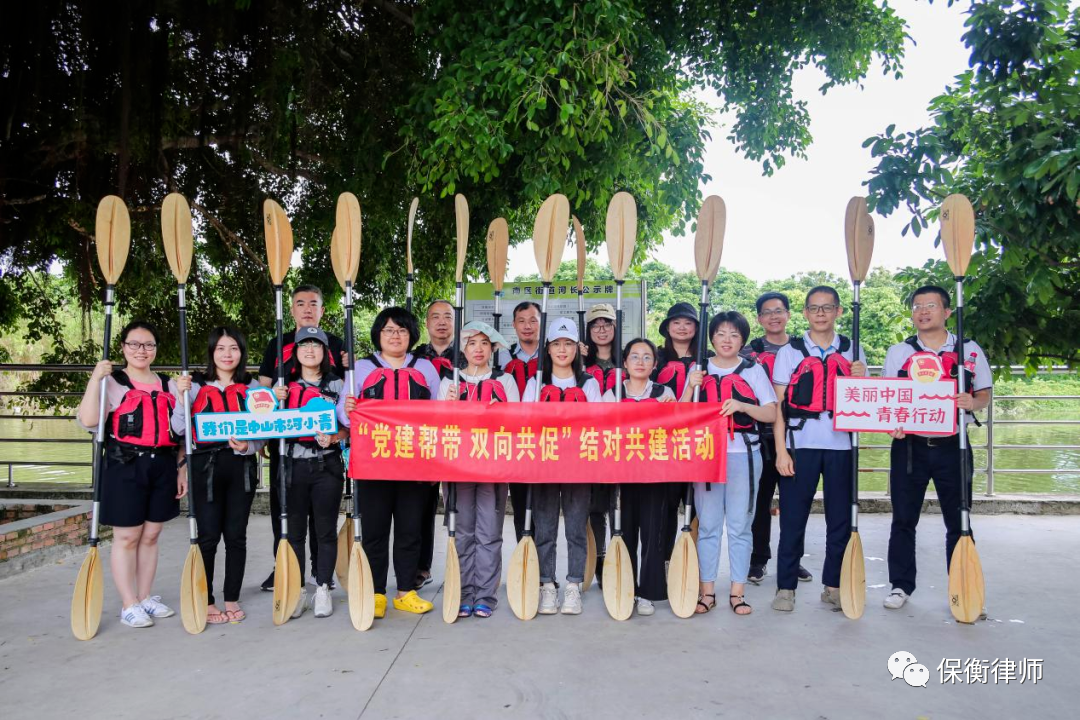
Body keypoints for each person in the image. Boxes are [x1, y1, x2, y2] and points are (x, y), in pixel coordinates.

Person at [881, 285, 993, 610]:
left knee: (959, 521)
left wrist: (972, 401)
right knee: (903, 519)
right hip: (909, 446)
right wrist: (892, 423)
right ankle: (900, 585)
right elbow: (889, 397)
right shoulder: (899, 352)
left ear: (946, 311)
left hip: (953, 446)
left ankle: (963, 588)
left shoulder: (968, 350)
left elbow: (984, 394)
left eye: (930, 305)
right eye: (917, 306)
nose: (923, 311)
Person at [76, 321, 184, 629]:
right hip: (125, 465)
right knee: (127, 537)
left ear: (155, 349)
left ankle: (145, 596)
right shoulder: (112, 382)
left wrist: (182, 468)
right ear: (123, 347)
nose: (141, 350)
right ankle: (128, 604)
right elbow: (88, 420)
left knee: (151, 535)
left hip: (162, 465)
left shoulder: (169, 385)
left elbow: (181, 433)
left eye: (148, 345)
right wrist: (95, 378)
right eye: (134, 344)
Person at [769, 286, 867, 612]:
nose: (821, 313)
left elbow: (865, 401)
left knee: (839, 520)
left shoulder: (853, 349)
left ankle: (833, 585)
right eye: (814, 308)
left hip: (842, 445)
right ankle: (786, 587)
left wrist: (861, 377)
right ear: (805, 313)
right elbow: (779, 407)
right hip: (800, 445)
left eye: (827, 307)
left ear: (839, 311)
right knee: (792, 520)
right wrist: (781, 451)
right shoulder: (790, 352)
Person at [339, 307, 442, 618]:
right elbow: (344, 415)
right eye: (388, 330)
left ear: (411, 335)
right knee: (375, 531)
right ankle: (376, 593)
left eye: (401, 330)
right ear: (378, 335)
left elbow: (439, 415)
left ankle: (405, 591)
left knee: (411, 529)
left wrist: (437, 463)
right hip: (374, 465)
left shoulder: (425, 368)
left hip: (415, 464)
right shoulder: (361, 368)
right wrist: (348, 409)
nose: (395, 336)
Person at [687, 312, 777, 616]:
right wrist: (689, 386)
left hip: (744, 454)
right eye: (721, 334)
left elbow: (771, 413)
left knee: (739, 526)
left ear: (742, 340)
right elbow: (681, 414)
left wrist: (742, 405)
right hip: (706, 455)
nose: (727, 340)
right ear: (712, 337)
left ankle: (738, 591)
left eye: (734, 335)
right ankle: (707, 591)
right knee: (708, 526)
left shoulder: (753, 370)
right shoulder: (698, 370)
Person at [173, 327, 264, 624]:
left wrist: (249, 446)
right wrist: (181, 397)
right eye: (221, 348)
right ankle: (208, 599)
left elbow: (265, 430)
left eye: (234, 348)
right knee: (208, 536)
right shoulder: (194, 385)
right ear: (212, 352)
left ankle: (232, 597)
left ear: (242, 352)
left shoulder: (252, 387)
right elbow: (179, 429)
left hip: (241, 467)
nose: (227, 354)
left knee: (236, 536)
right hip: (205, 467)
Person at [258, 284, 345, 592]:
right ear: (292, 309)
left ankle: (321, 573)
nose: (307, 308)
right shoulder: (277, 343)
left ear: (322, 310)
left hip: (324, 452)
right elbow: (262, 393)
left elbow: (344, 399)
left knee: (322, 520)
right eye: (300, 303)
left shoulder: (336, 344)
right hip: (286, 446)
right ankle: (284, 570)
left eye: (313, 303)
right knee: (286, 516)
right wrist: (269, 416)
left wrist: (336, 437)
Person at [439, 321, 520, 618]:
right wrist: (448, 405)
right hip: (458, 467)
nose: (478, 348)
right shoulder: (450, 381)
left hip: (493, 468)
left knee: (488, 531)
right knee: (462, 531)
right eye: (472, 343)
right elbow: (437, 425)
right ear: (463, 348)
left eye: (484, 343)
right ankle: (462, 592)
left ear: (493, 348)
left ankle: (485, 594)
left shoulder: (505, 381)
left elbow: (517, 423)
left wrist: (501, 411)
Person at [523, 317, 603, 615]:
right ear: (547, 348)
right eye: (556, 343)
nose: (562, 349)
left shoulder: (588, 383)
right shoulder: (536, 383)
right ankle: (547, 585)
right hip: (543, 465)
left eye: (568, 344)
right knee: (544, 528)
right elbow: (523, 422)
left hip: (578, 466)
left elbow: (598, 424)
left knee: (576, 529)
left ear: (577, 348)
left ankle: (573, 586)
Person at [272, 327, 348, 619]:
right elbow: (263, 421)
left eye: (316, 345)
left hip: (326, 465)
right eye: (304, 345)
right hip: (293, 466)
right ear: (296, 351)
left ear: (325, 352)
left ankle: (323, 588)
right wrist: (273, 400)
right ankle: (298, 590)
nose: (310, 350)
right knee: (294, 534)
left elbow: (349, 427)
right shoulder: (284, 386)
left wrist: (335, 437)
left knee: (325, 530)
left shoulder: (338, 384)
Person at [741, 291, 812, 585]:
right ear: (759, 318)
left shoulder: (802, 349)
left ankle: (792, 559)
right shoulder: (748, 352)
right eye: (767, 312)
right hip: (759, 436)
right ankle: (758, 559)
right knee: (759, 502)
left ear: (788, 315)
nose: (774, 316)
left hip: (796, 437)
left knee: (795, 504)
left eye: (779, 311)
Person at [601, 337, 676, 616]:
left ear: (655, 364)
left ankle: (648, 593)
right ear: (625, 362)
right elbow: (601, 430)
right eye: (634, 356)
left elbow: (677, 430)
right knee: (623, 532)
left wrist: (672, 409)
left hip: (655, 474)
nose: (640, 362)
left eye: (647, 357)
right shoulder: (612, 394)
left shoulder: (664, 392)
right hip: (620, 474)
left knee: (653, 533)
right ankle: (626, 589)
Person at [413, 299, 457, 591]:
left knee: (460, 505)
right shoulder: (414, 357)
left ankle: (462, 568)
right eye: (435, 317)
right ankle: (421, 566)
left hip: (459, 438)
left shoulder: (467, 353)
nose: (442, 322)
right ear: (427, 322)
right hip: (424, 438)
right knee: (421, 506)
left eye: (448, 316)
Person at [498, 301, 542, 543]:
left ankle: (544, 559)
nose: (527, 326)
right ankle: (524, 550)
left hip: (545, 438)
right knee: (520, 500)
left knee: (544, 506)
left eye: (533, 320)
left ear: (541, 323)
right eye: (522, 321)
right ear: (514, 325)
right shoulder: (503, 356)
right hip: (515, 438)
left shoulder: (552, 354)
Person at [583, 302, 617, 587]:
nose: (601, 329)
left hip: (624, 442)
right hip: (590, 442)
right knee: (596, 505)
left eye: (607, 324)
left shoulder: (627, 360)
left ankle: (621, 558)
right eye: (596, 325)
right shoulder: (581, 364)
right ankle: (599, 559)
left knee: (620, 504)